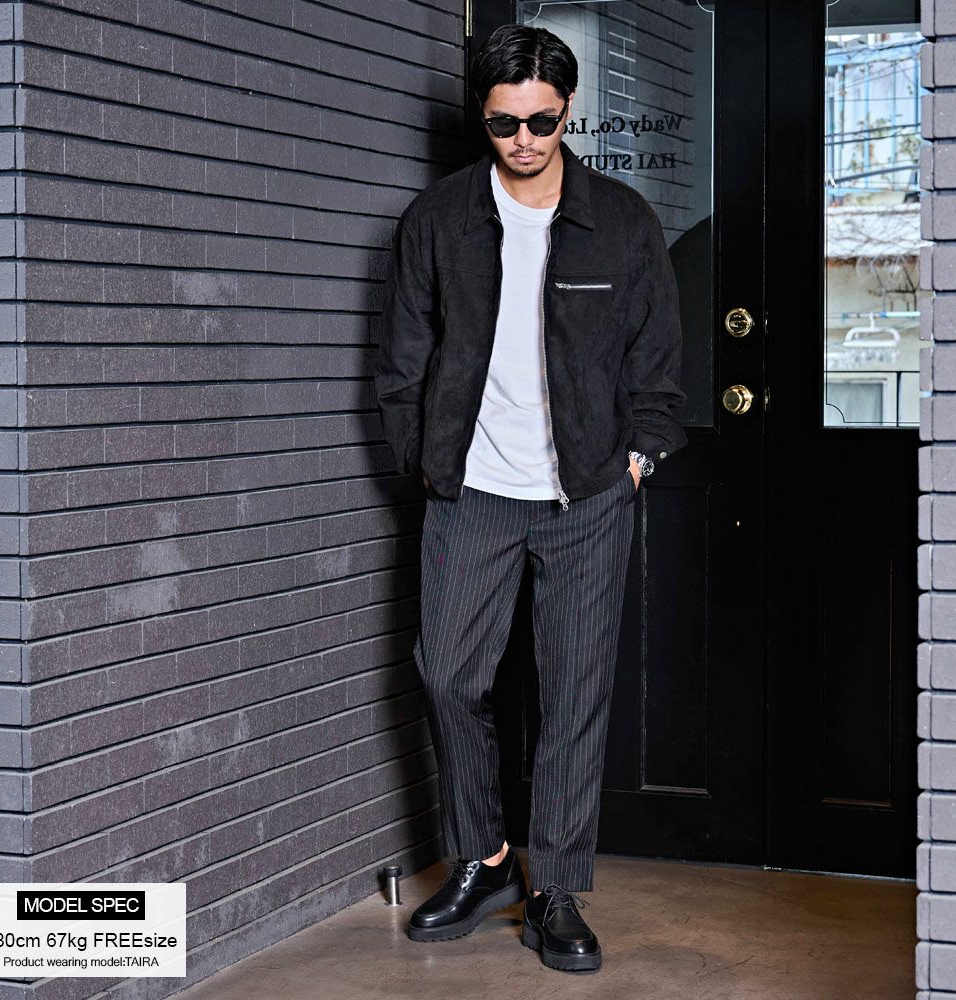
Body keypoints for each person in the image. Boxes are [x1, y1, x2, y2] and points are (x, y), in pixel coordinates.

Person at [373, 22, 688, 974]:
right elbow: (403, 360)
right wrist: (423, 461)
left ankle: (555, 888)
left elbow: (659, 362)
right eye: (504, 122)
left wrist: (637, 459)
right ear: (482, 115)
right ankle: (486, 858)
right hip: (469, 488)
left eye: (542, 121)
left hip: (586, 492)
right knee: (446, 674)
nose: (523, 140)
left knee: (573, 694)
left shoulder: (622, 221)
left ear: (568, 111)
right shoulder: (437, 220)